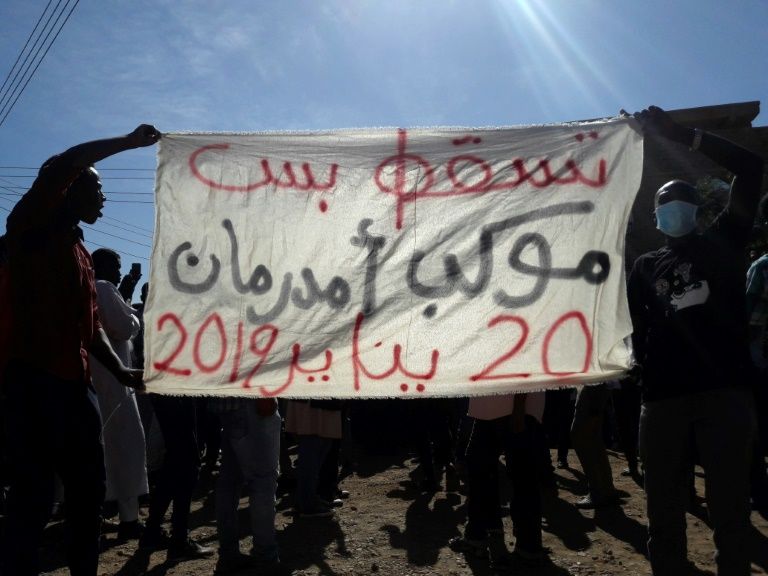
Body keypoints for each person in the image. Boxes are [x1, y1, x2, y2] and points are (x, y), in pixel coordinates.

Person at [0, 125, 160, 576]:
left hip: (74, 385)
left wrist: (123, 372)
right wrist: (129, 143)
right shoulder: (31, 224)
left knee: (87, 492)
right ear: (69, 189)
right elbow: (67, 158)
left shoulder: (81, 253)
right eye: (97, 188)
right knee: (32, 497)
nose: (104, 199)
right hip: (31, 381)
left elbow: (91, 330)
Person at [627, 106, 763, 575]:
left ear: (699, 212)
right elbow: (637, 327)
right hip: (661, 401)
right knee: (662, 510)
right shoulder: (645, 267)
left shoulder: (726, 242)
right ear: (657, 216)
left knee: (729, 511)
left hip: (724, 394)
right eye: (665, 203)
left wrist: (682, 135)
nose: (674, 206)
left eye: (682, 200)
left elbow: (752, 168)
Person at [89, 248, 148, 541]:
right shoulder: (104, 288)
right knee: (125, 452)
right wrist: (133, 315)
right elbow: (126, 327)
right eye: (116, 266)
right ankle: (129, 520)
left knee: (102, 456)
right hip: (115, 386)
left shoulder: (90, 288)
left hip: (98, 384)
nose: (119, 272)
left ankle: (98, 517)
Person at [211, 397, 281, 574]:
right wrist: (265, 392)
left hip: (226, 403)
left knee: (229, 483)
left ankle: (228, 554)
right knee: (262, 481)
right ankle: (266, 558)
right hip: (252, 400)